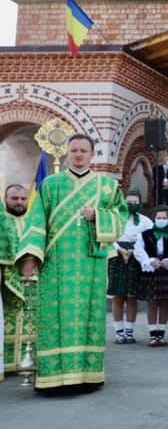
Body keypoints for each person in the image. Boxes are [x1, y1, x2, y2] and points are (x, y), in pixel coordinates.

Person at [16, 133, 126, 392]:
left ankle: (88, 376)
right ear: (67, 152)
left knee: (88, 317)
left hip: (91, 264)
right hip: (56, 264)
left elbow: (121, 216)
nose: (78, 154)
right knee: (54, 316)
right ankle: (53, 378)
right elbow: (36, 220)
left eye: (83, 151)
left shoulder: (106, 187)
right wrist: (31, 256)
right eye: (74, 150)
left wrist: (98, 215)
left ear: (91, 154)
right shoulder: (51, 185)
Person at [109, 188, 152, 344]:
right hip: (117, 257)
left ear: (140, 203)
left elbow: (149, 240)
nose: (132, 205)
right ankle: (119, 332)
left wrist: (133, 251)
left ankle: (129, 332)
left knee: (132, 296)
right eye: (129, 202)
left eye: (135, 202)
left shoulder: (145, 221)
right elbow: (108, 234)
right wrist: (119, 249)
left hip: (136, 258)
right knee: (117, 295)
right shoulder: (116, 218)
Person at [134, 205, 168, 347]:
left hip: (166, 269)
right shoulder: (145, 234)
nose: (161, 220)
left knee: (165, 303)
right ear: (154, 218)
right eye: (159, 218)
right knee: (152, 302)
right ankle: (153, 335)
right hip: (152, 271)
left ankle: (162, 334)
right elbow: (138, 250)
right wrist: (149, 261)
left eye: (164, 218)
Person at [0, 184, 28, 377]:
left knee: (30, 323)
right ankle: (7, 363)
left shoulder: (33, 222)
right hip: (7, 280)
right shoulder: (2, 221)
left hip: (33, 282)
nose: (19, 202)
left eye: (22, 199)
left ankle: (27, 361)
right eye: (14, 198)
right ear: (5, 199)